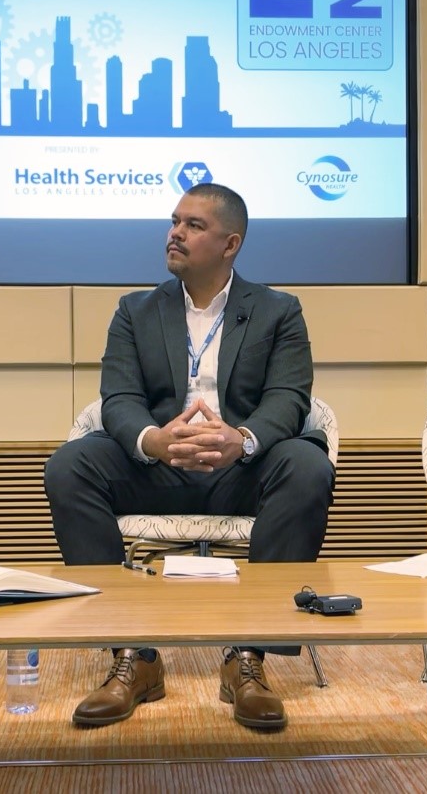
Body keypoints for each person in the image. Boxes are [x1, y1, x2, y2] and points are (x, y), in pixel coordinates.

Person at [45, 183, 334, 731]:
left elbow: (289, 400)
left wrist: (241, 438)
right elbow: (120, 398)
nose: (175, 232)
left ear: (230, 244)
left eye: (193, 225)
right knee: (70, 466)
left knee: (306, 465)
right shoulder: (135, 310)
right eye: (174, 221)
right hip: (157, 468)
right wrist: (153, 440)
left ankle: (249, 658)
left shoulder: (278, 310)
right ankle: (132, 656)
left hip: (241, 471)